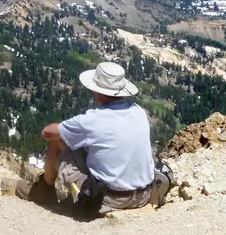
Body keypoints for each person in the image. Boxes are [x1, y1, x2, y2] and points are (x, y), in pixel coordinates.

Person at [14, 62, 155, 214]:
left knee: (57, 141)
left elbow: (47, 133)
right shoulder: (139, 111)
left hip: (109, 199)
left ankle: (44, 190)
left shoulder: (92, 120)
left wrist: (69, 128)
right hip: (143, 195)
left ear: (99, 92)